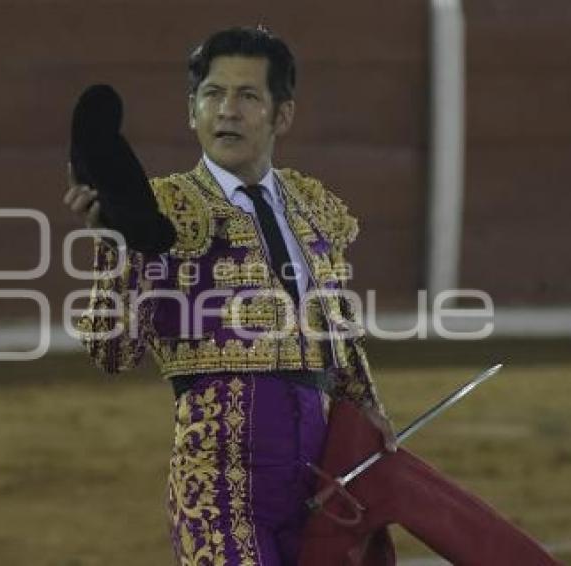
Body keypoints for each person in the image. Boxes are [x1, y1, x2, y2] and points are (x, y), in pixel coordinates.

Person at [64, 26, 396, 566]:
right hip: (217, 473)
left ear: (281, 115)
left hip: (318, 463)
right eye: (212, 95)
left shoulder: (312, 205)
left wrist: (367, 409)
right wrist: (120, 245)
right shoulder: (158, 208)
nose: (227, 111)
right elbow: (113, 353)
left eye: (247, 96)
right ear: (191, 110)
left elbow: (335, 325)